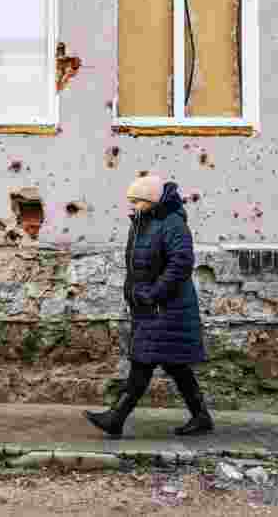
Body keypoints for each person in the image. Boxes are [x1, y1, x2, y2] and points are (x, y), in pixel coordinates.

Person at [84, 174, 213, 437]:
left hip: (165, 307)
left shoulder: (172, 224)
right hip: (149, 306)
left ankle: (115, 418)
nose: (132, 206)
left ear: (152, 201)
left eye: (137, 201)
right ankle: (201, 417)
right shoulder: (142, 223)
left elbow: (181, 264)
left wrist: (154, 294)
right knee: (175, 365)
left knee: (142, 361)